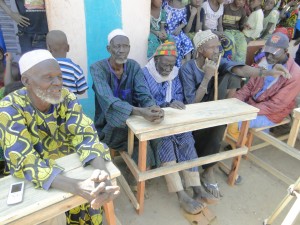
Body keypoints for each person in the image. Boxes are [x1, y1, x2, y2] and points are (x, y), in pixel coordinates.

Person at [0, 49, 120, 225]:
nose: (58, 83)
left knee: (94, 199)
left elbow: (85, 134)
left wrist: (102, 172)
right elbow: (24, 160)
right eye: (49, 77)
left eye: (60, 77)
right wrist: (77, 186)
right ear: (26, 81)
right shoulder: (9, 107)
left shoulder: (66, 97)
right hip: (36, 177)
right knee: (50, 217)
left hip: (69, 166)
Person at [179, 29, 289, 198]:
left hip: (212, 111)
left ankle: (208, 168)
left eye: (218, 47)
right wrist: (207, 77)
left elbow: (241, 70)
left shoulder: (218, 62)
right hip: (194, 115)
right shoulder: (187, 68)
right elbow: (192, 104)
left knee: (230, 76)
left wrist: (268, 72)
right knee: (216, 124)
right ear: (200, 50)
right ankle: (207, 169)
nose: (217, 51)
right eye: (213, 48)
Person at [143, 41, 216, 214]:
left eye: (172, 64)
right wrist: (167, 104)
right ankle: (181, 195)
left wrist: (176, 101)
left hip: (173, 119)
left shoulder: (174, 74)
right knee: (166, 145)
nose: (169, 69)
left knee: (187, 140)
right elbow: (145, 101)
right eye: (165, 64)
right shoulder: (144, 74)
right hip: (154, 121)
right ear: (156, 60)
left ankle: (196, 188)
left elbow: (179, 96)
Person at [90, 29, 164, 168]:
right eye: (117, 46)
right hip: (109, 125)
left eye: (125, 46)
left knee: (155, 136)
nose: (121, 50)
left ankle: (148, 166)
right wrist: (141, 112)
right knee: (142, 148)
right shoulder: (97, 69)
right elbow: (109, 101)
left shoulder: (133, 66)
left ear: (129, 48)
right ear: (109, 48)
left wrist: (152, 107)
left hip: (135, 121)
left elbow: (143, 93)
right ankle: (142, 169)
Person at [227, 32, 300, 137]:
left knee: (234, 123)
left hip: (271, 114)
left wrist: (247, 110)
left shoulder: (295, 74)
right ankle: (239, 141)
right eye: (267, 52)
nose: (269, 57)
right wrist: (234, 102)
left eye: (274, 53)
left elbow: (275, 106)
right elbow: (248, 87)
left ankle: (242, 147)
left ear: (285, 51)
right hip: (253, 105)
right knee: (226, 115)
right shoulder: (265, 62)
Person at [46, 30, 88, 95]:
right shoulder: (75, 69)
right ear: (68, 48)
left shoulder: (46, 68)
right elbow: (82, 90)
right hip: (71, 104)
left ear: (48, 48)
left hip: (51, 104)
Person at [163, 0, 194, 66]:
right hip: (166, 30)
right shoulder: (165, 3)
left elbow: (184, 22)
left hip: (176, 29)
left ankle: (187, 64)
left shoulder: (183, 8)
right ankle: (177, 64)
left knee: (187, 40)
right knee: (175, 41)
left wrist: (179, 28)